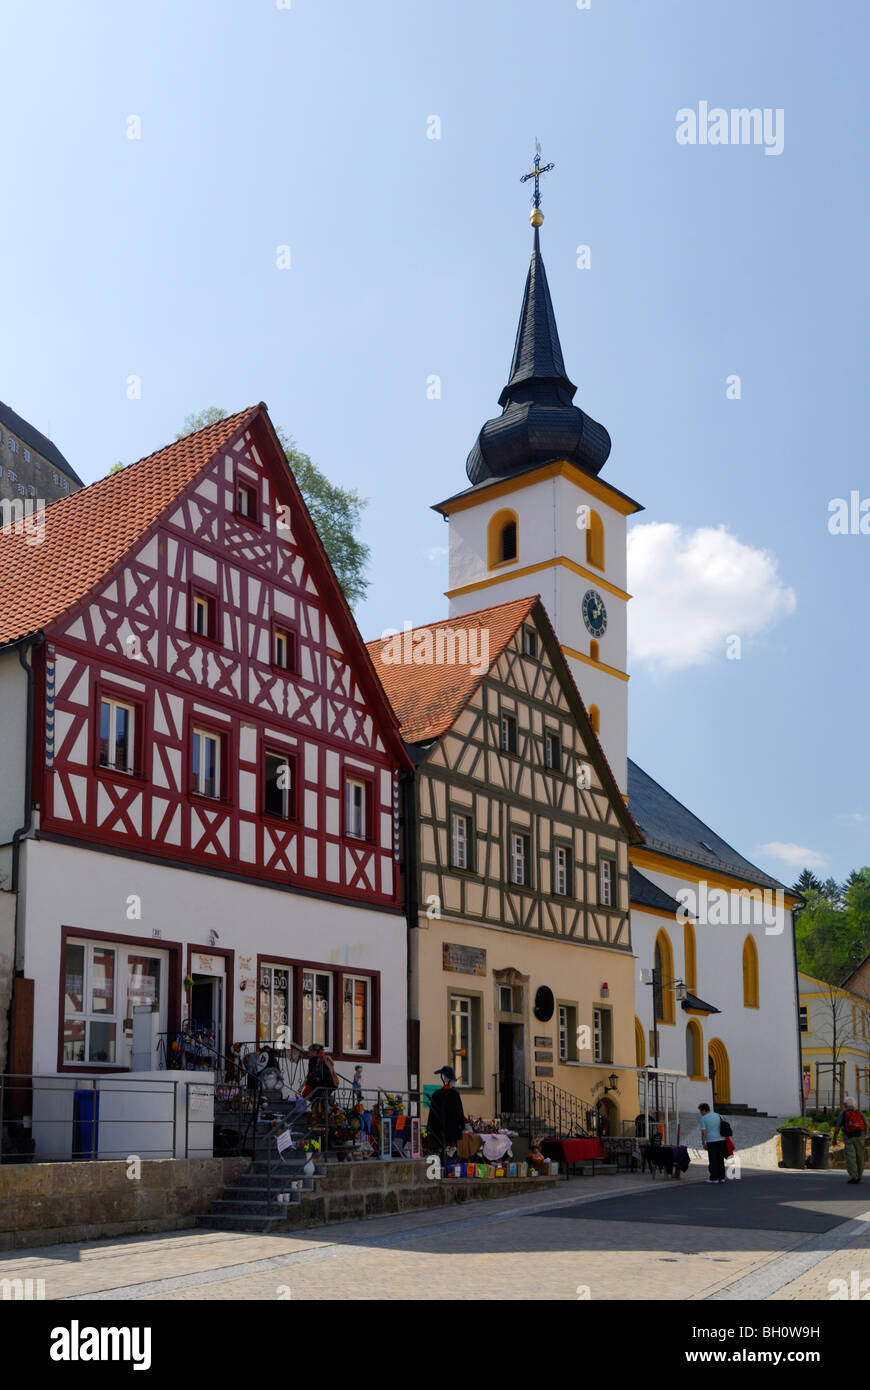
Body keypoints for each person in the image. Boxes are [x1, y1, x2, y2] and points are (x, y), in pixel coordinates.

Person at [426, 1065, 466, 1153]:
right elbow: (459, 1113)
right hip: (450, 1133)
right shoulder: (454, 1094)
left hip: (438, 1131)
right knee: (449, 1155)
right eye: (453, 1081)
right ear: (450, 1080)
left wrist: (430, 1128)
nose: (454, 1083)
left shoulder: (437, 1094)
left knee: (443, 1153)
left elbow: (432, 1114)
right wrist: (461, 1127)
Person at [832, 1096, 866, 1184]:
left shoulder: (843, 1113)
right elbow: (867, 1123)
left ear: (845, 1105)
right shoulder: (859, 1113)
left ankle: (854, 1177)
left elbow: (837, 1128)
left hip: (849, 1137)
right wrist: (865, 1134)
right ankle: (859, 1175)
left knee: (851, 1157)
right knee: (860, 1156)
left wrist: (834, 1139)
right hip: (860, 1136)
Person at [698, 1102, 728, 1183]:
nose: (700, 1113)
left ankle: (714, 1178)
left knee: (713, 1160)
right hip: (721, 1140)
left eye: (700, 1111)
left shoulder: (704, 1118)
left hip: (711, 1141)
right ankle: (722, 1177)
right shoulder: (718, 1115)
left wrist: (703, 1143)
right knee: (720, 1159)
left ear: (703, 1110)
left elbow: (703, 1132)